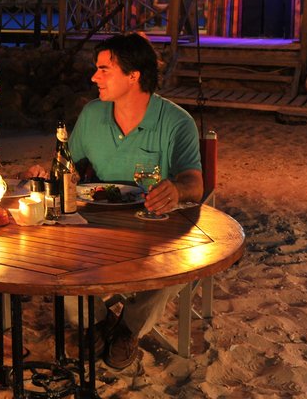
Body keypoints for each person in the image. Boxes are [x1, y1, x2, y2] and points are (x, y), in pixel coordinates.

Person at [61, 32, 204, 370]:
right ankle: (94, 323)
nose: (94, 77)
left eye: (103, 69)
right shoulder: (93, 114)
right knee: (58, 256)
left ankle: (128, 327)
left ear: (133, 75)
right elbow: (67, 164)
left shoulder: (175, 122)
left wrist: (177, 190)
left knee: (179, 264)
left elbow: (194, 184)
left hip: (153, 226)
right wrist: (56, 171)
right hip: (97, 223)